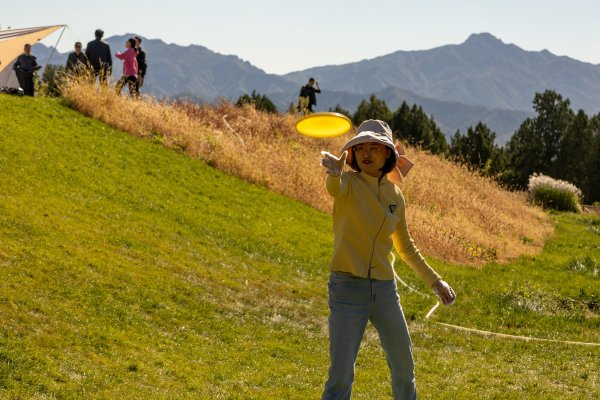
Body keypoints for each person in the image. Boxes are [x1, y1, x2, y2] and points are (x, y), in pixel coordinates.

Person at [319, 120, 456, 400]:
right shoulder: (347, 183)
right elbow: (335, 188)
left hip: (384, 290)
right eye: (360, 148)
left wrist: (436, 282)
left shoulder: (396, 196)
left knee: (404, 366)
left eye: (374, 147)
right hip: (347, 289)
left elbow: (405, 247)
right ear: (353, 155)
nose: (366, 153)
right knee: (341, 376)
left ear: (387, 154)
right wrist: (334, 173)